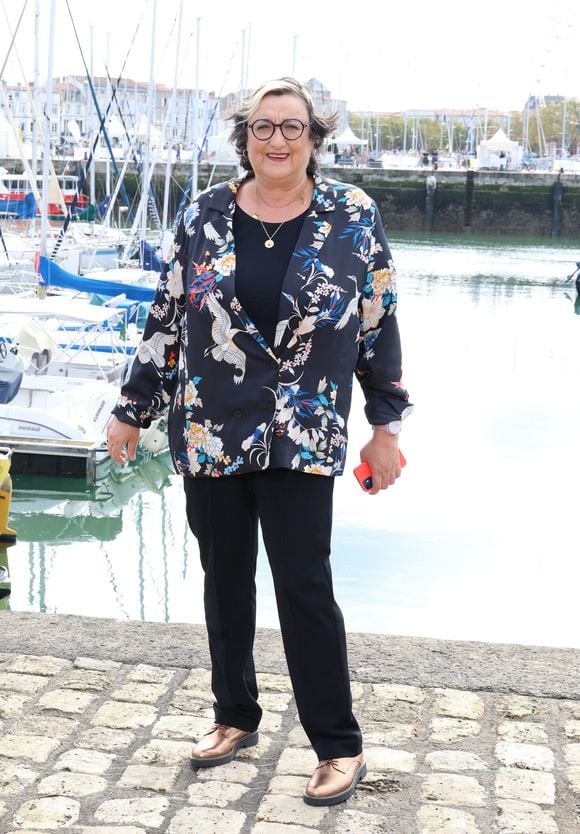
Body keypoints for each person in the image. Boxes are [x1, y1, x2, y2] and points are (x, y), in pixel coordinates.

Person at [106, 77, 412, 807]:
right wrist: (131, 409)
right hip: (211, 426)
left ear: (315, 138)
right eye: (263, 127)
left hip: (302, 431)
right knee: (226, 579)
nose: (277, 140)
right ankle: (234, 715)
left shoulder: (351, 215)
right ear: (244, 137)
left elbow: (379, 323)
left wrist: (386, 426)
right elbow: (168, 317)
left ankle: (337, 744)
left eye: (292, 128)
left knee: (305, 585)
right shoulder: (204, 214)